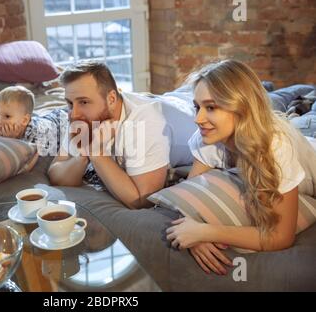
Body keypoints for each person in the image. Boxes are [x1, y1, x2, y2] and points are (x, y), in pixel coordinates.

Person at [165, 60, 316, 275]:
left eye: (211, 107)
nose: (198, 119)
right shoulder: (207, 138)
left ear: (241, 107)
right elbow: (188, 198)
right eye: (197, 106)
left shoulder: (274, 148)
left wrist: (207, 232)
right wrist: (194, 236)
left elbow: (281, 237)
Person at [48, 61, 196, 209]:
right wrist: (83, 155)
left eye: (84, 102)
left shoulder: (144, 122)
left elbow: (142, 201)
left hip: (189, 107)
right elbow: (55, 173)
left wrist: (97, 153)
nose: (73, 114)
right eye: (70, 103)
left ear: (111, 99)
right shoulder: (82, 117)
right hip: (170, 99)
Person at [0, 85, 68, 157]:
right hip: (49, 119)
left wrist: (12, 140)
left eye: (7, 116)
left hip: (62, 122)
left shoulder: (34, 135)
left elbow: (27, 159)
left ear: (24, 120)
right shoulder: (12, 128)